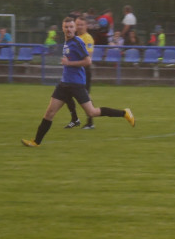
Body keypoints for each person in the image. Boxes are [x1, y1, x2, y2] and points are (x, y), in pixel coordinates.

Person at [21, 17, 134, 147]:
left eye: (71, 27)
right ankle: (36, 142)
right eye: (66, 27)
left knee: (92, 112)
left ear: (74, 28)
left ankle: (124, 113)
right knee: (49, 112)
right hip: (64, 84)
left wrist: (69, 63)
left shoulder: (77, 42)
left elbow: (88, 61)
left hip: (76, 84)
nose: (68, 29)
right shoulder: (66, 42)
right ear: (63, 28)